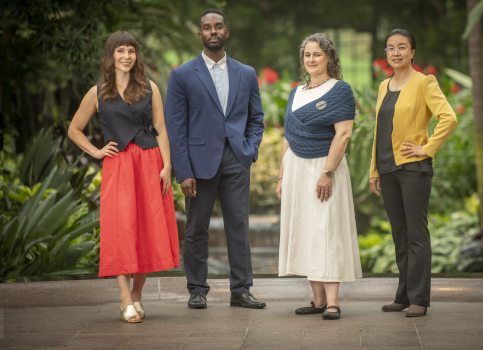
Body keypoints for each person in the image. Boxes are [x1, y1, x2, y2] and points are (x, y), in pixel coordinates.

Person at [68, 31, 180, 323]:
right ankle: (124, 297)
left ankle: (138, 296)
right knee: (119, 227)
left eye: (131, 51)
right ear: (111, 56)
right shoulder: (97, 93)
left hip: (149, 162)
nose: (126, 57)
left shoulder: (150, 88)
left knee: (147, 227)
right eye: (120, 51)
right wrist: (96, 151)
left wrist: (167, 166)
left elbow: (161, 129)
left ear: (136, 55)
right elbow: (74, 129)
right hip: (118, 166)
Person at [165, 9, 266, 310]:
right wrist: (183, 171)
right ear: (200, 34)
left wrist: (249, 151)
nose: (213, 31)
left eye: (218, 26)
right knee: (196, 229)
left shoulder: (246, 73)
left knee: (239, 226)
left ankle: (241, 290)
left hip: (236, 159)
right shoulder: (182, 75)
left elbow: (256, 118)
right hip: (198, 165)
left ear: (226, 32)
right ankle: (197, 289)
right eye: (207, 27)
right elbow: (176, 127)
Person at [369, 29, 458, 317]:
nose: (396, 52)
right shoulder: (384, 85)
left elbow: (449, 117)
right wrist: (374, 170)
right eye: (391, 48)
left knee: (416, 235)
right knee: (400, 235)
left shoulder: (424, 83)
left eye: (402, 47)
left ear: (412, 52)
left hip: (413, 169)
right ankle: (404, 295)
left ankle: (419, 298)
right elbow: (378, 131)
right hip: (387, 168)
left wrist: (427, 148)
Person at [276, 33, 362, 321]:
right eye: (307, 55)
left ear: (329, 58)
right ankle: (317, 301)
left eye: (317, 54)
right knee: (306, 229)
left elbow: (344, 133)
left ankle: (333, 303)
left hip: (324, 168)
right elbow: (287, 137)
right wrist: (280, 177)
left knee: (326, 230)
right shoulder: (296, 92)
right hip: (296, 168)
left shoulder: (340, 91)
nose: (311, 60)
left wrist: (327, 172)